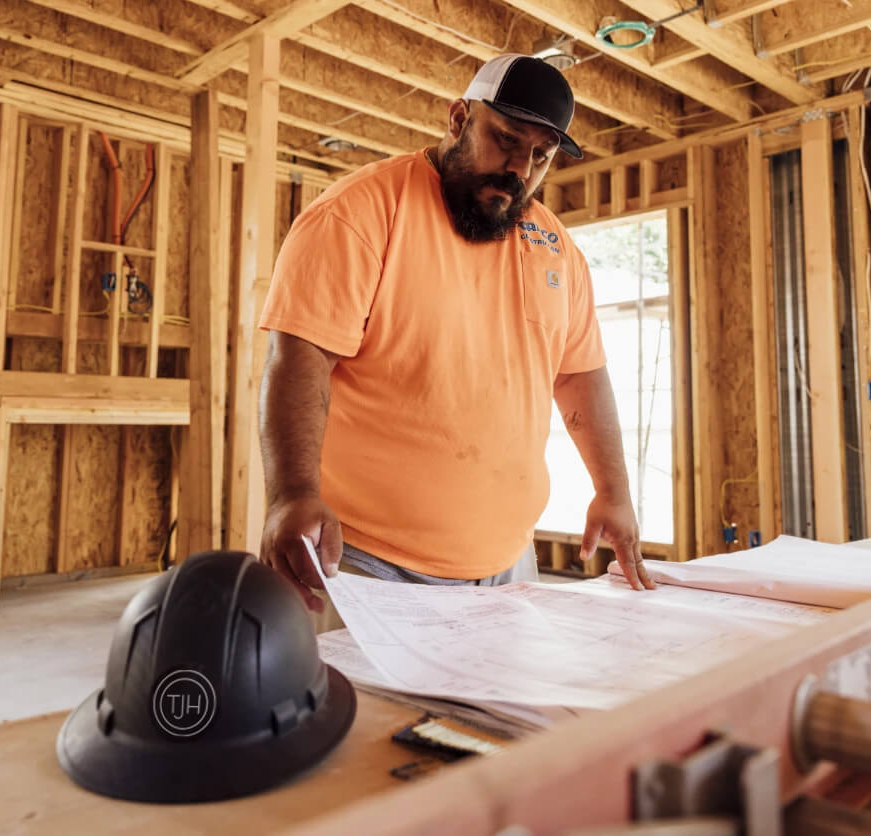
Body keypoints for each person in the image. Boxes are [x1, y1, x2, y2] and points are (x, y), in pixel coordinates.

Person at [257, 54, 654, 624]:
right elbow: (302, 358)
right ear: (459, 118)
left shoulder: (557, 250)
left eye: (540, 155)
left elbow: (579, 373)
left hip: (510, 566)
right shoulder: (359, 213)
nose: (519, 168)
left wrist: (613, 491)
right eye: (506, 139)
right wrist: (292, 494)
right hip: (365, 566)